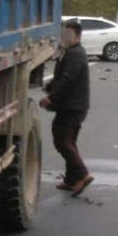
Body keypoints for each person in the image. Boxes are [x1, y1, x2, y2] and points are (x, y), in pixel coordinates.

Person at [40, 20, 94, 197]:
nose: (64, 37)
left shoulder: (75, 54)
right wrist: (49, 86)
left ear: (77, 35)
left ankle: (83, 174)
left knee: (62, 140)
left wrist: (51, 97)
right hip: (73, 105)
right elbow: (62, 77)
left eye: (67, 34)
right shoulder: (70, 52)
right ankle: (72, 179)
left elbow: (68, 80)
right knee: (69, 141)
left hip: (72, 106)